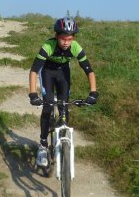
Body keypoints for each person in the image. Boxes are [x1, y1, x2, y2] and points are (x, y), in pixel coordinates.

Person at [28, 15, 98, 167]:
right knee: (47, 106)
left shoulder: (75, 47)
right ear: (56, 36)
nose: (66, 42)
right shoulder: (48, 46)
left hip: (63, 72)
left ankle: (62, 138)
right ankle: (43, 145)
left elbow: (89, 71)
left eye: (69, 39)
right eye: (63, 39)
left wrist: (93, 92)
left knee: (64, 105)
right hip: (47, 71)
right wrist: (33, 94)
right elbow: (34, 71)